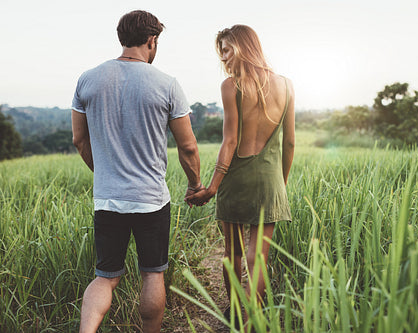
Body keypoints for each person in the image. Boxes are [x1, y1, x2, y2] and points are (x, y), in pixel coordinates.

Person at [72, 10, 203, 333]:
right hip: (151, 201)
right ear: (151, 40)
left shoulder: (88, 79)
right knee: (152, 273)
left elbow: (79, 138)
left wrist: (103, 172)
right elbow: (187, 147)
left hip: (107, 199)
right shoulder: (167, 84)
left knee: (106, 277)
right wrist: (195, 184)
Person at [186, 24, 295, 328]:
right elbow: (290, 142)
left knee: (233, 254)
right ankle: (255, 320)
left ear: (243, 47)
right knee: (257, 258)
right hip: (270, 182)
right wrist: (280, 185)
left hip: (235, 182)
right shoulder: (286, 85)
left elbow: (230, 142)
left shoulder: (231, 87)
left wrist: (211, 187)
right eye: (220, 52)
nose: (223, 58)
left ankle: (235, 315)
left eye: (226, 49)